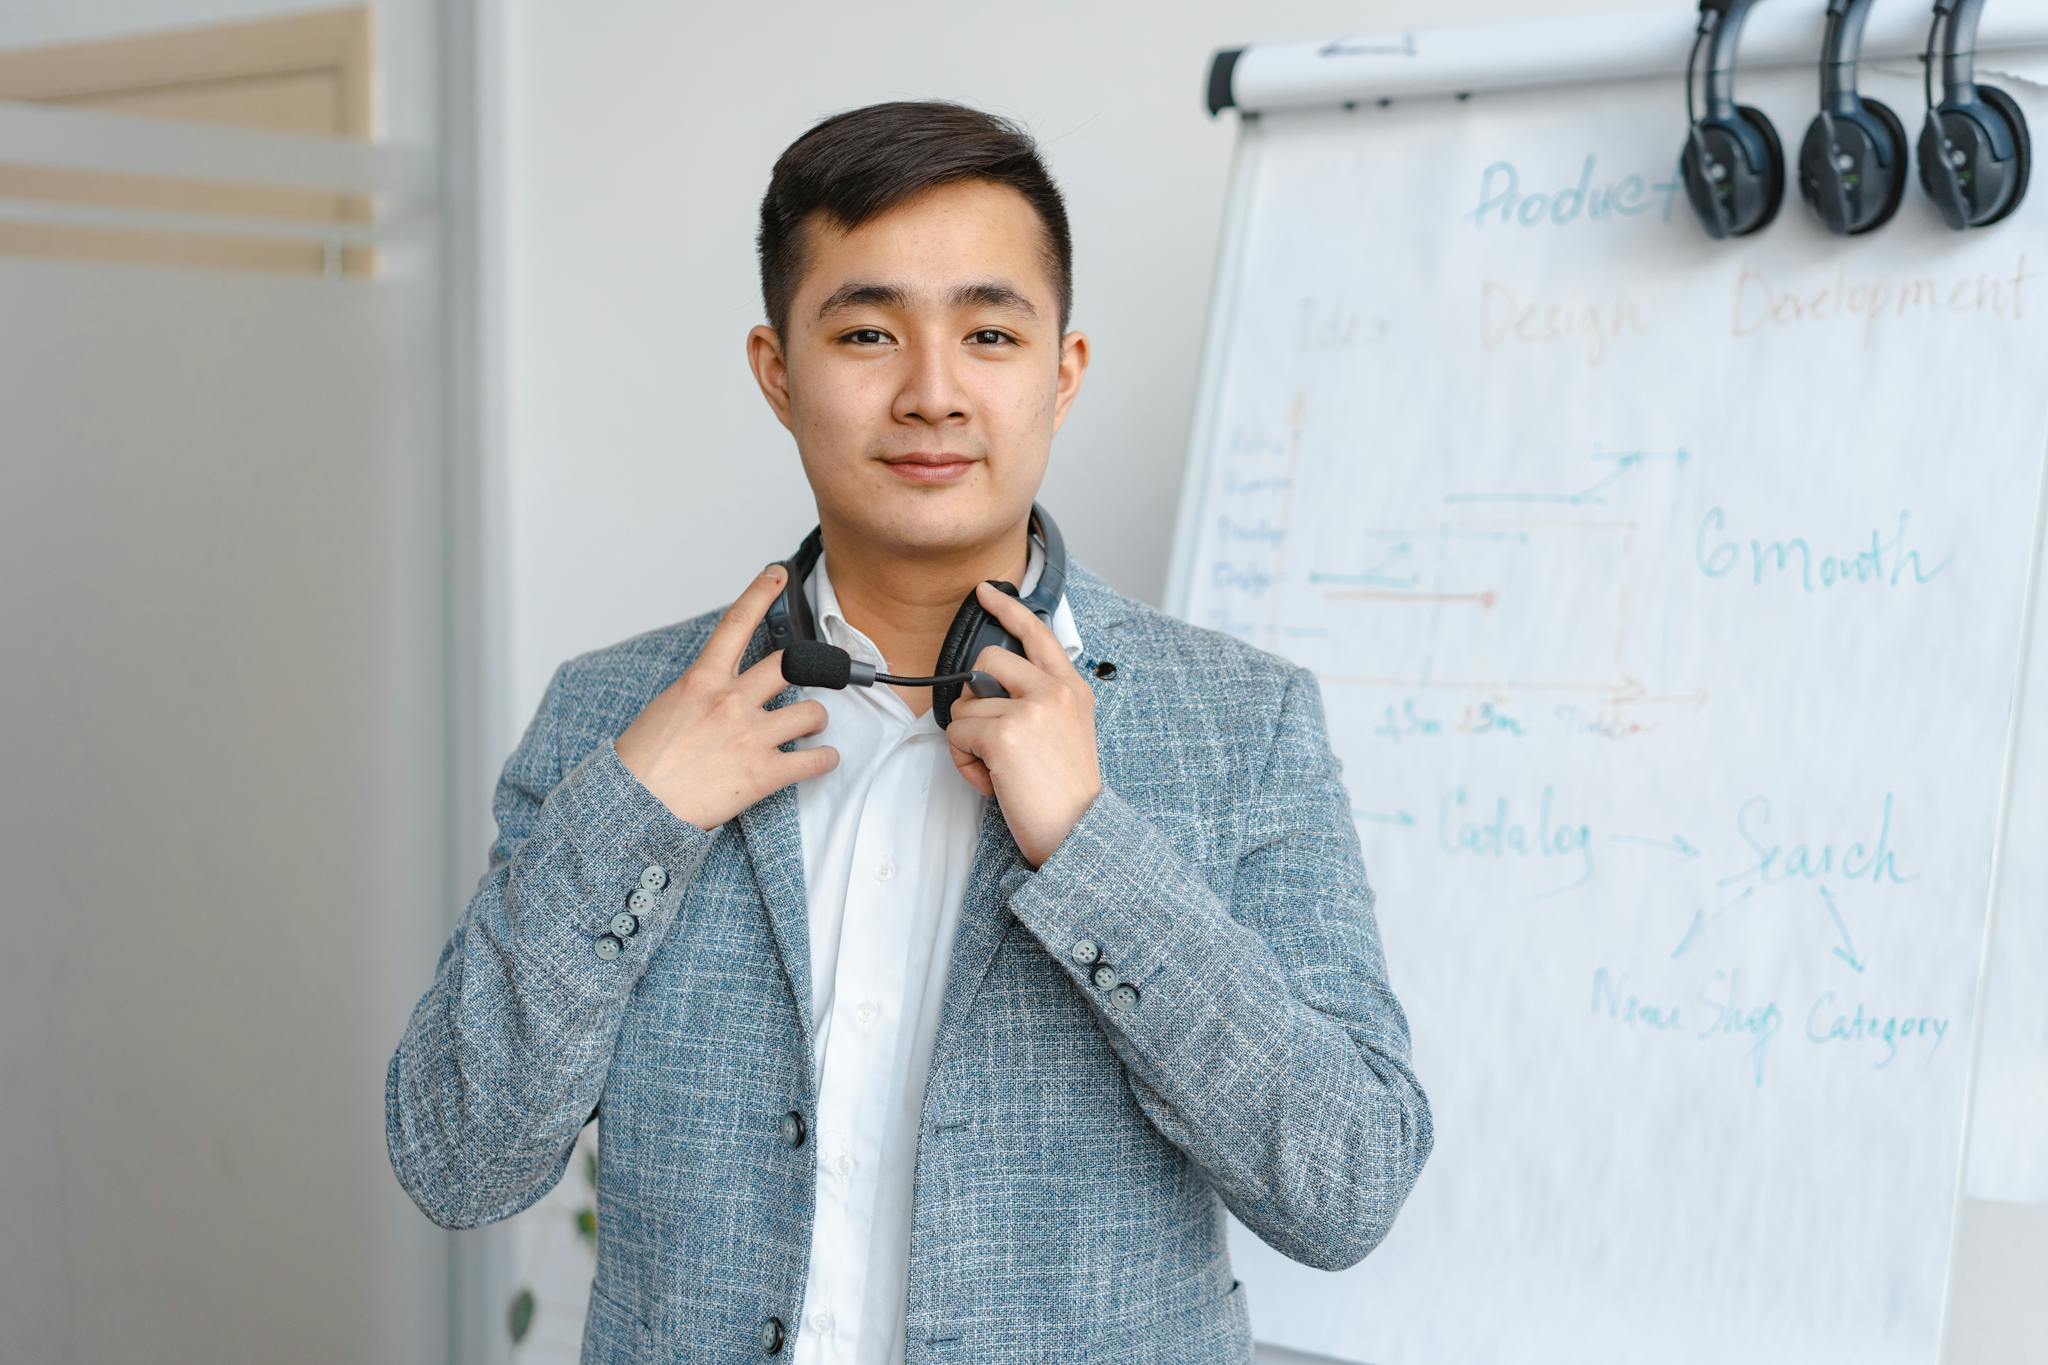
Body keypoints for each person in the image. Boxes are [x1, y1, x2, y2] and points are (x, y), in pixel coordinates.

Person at [385, 98, 1433, 1363]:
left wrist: (1092, 851)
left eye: (988, 332)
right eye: (868, 332)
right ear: (779, 371)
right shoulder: (611, 717)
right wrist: (633, 814)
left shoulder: (1239, 723)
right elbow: (455, 1159)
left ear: (1063, 371)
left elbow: (1345, 1183)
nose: (931, 395)